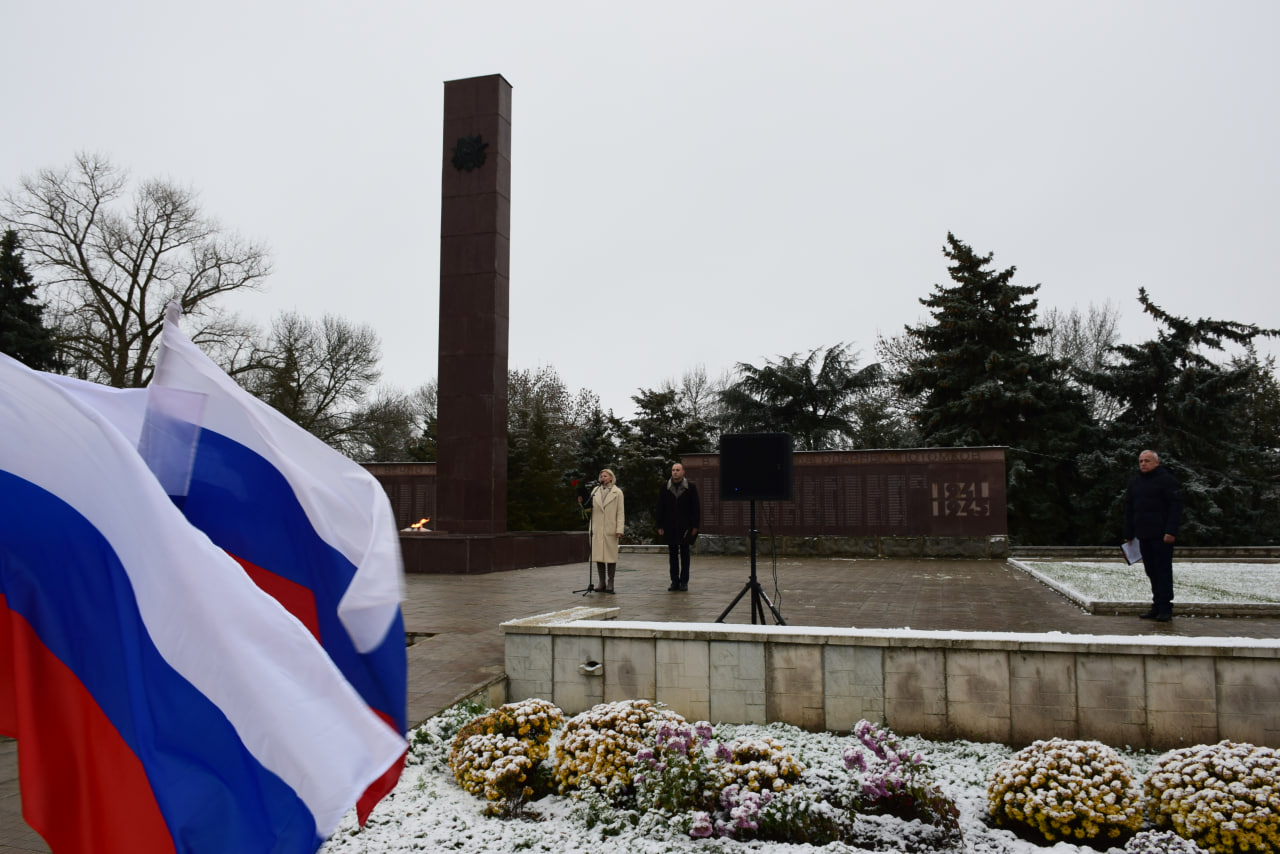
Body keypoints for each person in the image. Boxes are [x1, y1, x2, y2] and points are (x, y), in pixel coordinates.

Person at [1123, 449, 1183, 622]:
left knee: (1163, 571)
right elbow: (1129, 509)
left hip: (1162, 535)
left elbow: (1176, 508)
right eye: (1141, 461)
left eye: (1147, 460)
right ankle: (1156, 606)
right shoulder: (1135, 482)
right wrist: (1128, 533)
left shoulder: (1167, 480)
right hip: (1143, 535)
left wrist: (1171, 531)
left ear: (1156, 462)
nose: (1143, 463)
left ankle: (1165, 607)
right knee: (1151, 571)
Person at [655, 462, 700, 592]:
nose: (675, 472)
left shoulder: (690, 488)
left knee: (685, 554)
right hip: (670, 526)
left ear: (683, 472)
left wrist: (695, 525)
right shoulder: (665, 487)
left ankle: (684, 581)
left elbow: (695, 508)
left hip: (685, 526)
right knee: (672, 554)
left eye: (678, 470)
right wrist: (660, 524)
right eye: (673, 470)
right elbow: (660, 507)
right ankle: (674, 581)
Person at [588, 468, 624, 593]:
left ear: (611, 478)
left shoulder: (617, 492)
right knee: (599, 556)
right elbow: (589, 510)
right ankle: (601, 582)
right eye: (601, 476)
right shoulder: (595, 491)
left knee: (610, 556)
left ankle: (611, 582)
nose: (602, 478)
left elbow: (620, 512)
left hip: (610, 529)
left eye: (605, 476)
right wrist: (583, 503)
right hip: (597, 528)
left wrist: (619, 529)